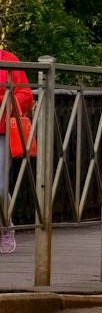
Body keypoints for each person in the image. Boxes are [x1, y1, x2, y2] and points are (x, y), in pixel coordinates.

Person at [0, 47, 33, 255]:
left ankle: (6, 226)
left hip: (2, 131)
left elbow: (25, 95)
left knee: (0, 186)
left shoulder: (9, 60)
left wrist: (5, 102)